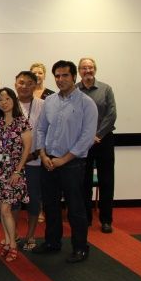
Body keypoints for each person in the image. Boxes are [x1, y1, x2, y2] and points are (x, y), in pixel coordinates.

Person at [33, 60, 97, 264]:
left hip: (73, 163)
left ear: (74, 77)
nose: (60, 79)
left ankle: (80, 247)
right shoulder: (49, 101)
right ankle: (52, 242)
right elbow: (41, 129)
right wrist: (43, 155)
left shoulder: (86, 103)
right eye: (57, 76)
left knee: (75, 207)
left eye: (65, 75)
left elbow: (87, 137)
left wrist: (64, 159)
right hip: (49, 161)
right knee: (50, 205)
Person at [0, 88, 31, 263]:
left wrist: (18, 171)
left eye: (7, 99)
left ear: (14, 100)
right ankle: (6, 242)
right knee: (2, 209)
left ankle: (13, 245)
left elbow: (27, 148)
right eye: (0, 100)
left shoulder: (22, 122)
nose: (4, 102)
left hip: (13, 171)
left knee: (6, 210)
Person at [77, 57, 117, 234]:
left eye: (90, 67)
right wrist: (87, 137)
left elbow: (111, 114)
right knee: (83, 181)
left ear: (95, 69)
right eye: (84, 68)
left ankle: (106, 220)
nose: (88, 70)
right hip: (82, 142)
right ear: (79, 71)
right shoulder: (74, 91)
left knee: (106, 181)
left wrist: (98, 135)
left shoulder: (106, 89)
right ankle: (86, 218)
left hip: (104, 140)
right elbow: (73, 116)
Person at [14, 70, 44, 252]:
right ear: (15, 84)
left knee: (33, 199)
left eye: (29, 83)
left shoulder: (43, 105)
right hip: (13, 164)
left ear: (35, 85)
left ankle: (31, 235)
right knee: (13, 201)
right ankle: (13, 234)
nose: (24, 86)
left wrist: (36, 154)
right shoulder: (9, 103)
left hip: (34, 161)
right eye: (21, 82)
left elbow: (46, 132)